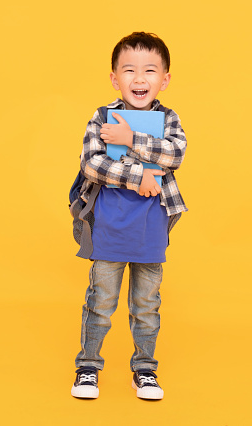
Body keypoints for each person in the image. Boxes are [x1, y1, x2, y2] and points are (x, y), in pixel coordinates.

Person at [71, 32, 188, 400]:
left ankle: (145, 370)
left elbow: (175, 155)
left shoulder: (169, 118)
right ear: (114, 77)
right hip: (109, 223)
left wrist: (131, 138)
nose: (140, 79)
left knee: (146, 305)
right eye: (130, 70)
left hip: (150, 228)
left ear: (164, 79)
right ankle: (88, 366)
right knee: (101, 300)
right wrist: (140, 176)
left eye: (150, 71)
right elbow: (91, 164)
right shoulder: (101, 116)